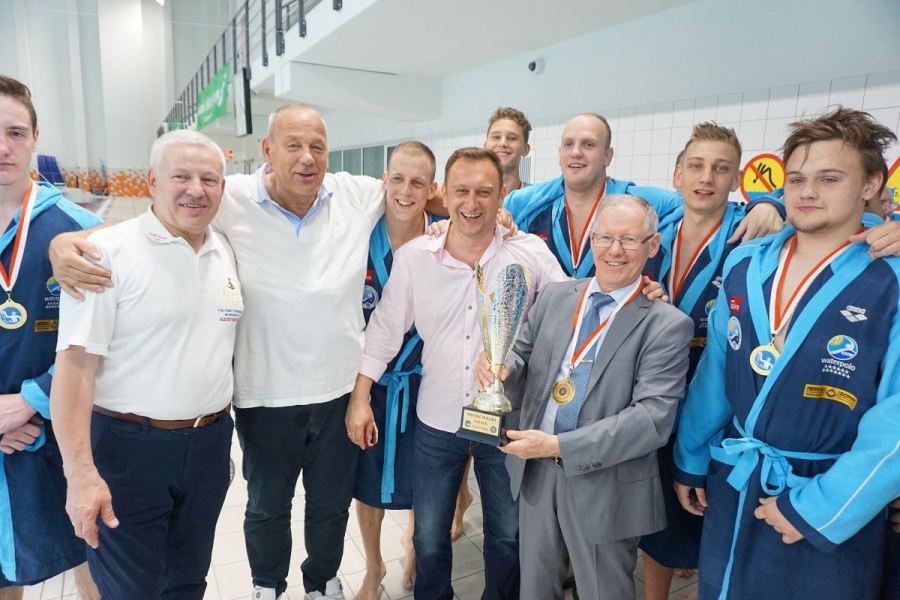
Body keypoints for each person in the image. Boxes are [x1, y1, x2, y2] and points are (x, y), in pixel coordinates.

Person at [674, 106, 900, 600]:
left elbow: (896, 422)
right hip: (736, 480)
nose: (807, 192)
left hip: (826, 494)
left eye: (829, 179)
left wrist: (820, 508)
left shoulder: (890, 280)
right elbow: (715, 372)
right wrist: (690, 455)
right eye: (796, 179)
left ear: (870, 184)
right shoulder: (745, 263)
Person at [349, 147, 567, 600]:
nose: (472, 203)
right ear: (444, 195)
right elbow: (385, 331)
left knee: (507, 535)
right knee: (428, 537)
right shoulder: (417, 257)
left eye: (484, 192)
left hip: (507, 426)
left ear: (502, 194)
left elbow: (572, 312)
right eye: (462, 191)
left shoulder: (529, 253)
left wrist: (633, 291)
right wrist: (359, 396)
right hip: (437, 422)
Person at [475, 194, 694, 600]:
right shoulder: (556, 297)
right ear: (592, 240)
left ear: (652, 245)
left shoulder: (667, 325)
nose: (614, 250)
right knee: (535, 588)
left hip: (606, 481)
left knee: (603, 591)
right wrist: (500, 368)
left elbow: (651, 420)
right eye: (605, 237)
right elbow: (522, 354)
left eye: (629, 240)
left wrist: (558, 445)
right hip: (536, 471)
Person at [51, 129, 238, 599]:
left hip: (209, 443)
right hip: (128, 450)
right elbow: (74, 369)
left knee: (189, 579)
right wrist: (80, 474)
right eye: (181, 176)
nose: (196, 189)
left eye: (209, 179)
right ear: (153, 181)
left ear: (222, 187)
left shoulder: (226, 250)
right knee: (132, 589)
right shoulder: (106, 254)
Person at [0, 75, 99, 600]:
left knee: (91, 560)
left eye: (15, 133)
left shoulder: (80, 230)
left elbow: (109, 339)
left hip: (56, 436)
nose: (3, 147)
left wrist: (30, 401)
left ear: (35, 138)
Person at [637, 123, 745, 600]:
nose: (706, 178)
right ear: (677, 174)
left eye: (721, 169)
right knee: (658, 520)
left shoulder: (753, 240)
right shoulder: (650, 236)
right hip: (652, 395)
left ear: (736, 180)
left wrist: (773, 203)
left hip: (719, 407)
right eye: (696, 166)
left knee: (709, 521)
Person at [501, 112, 786, 279]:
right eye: (568, 144)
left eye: (588, 144)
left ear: (608, 156)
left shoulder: (640, 202)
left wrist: (769, 203)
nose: (576, 152)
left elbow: (701, 202)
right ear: (560, 151)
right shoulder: (524, 202)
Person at [348, 141, 438, 599]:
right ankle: (373, 565)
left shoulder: (445, 237)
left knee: (425, 478)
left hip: (426, 382)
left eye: (417, 182)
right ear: (384, 181)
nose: (406, 191)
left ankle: (415, 547)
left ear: (432, 189)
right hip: (367, 384)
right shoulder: (358, 236)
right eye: (398, 179)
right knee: (366, 484)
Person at [484, 106, 532, 192]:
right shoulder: (468, 196)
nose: (503, 143)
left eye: (512, 138)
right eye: (496, 137)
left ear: (525, 149)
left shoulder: (537, 197)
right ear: (485, 147)